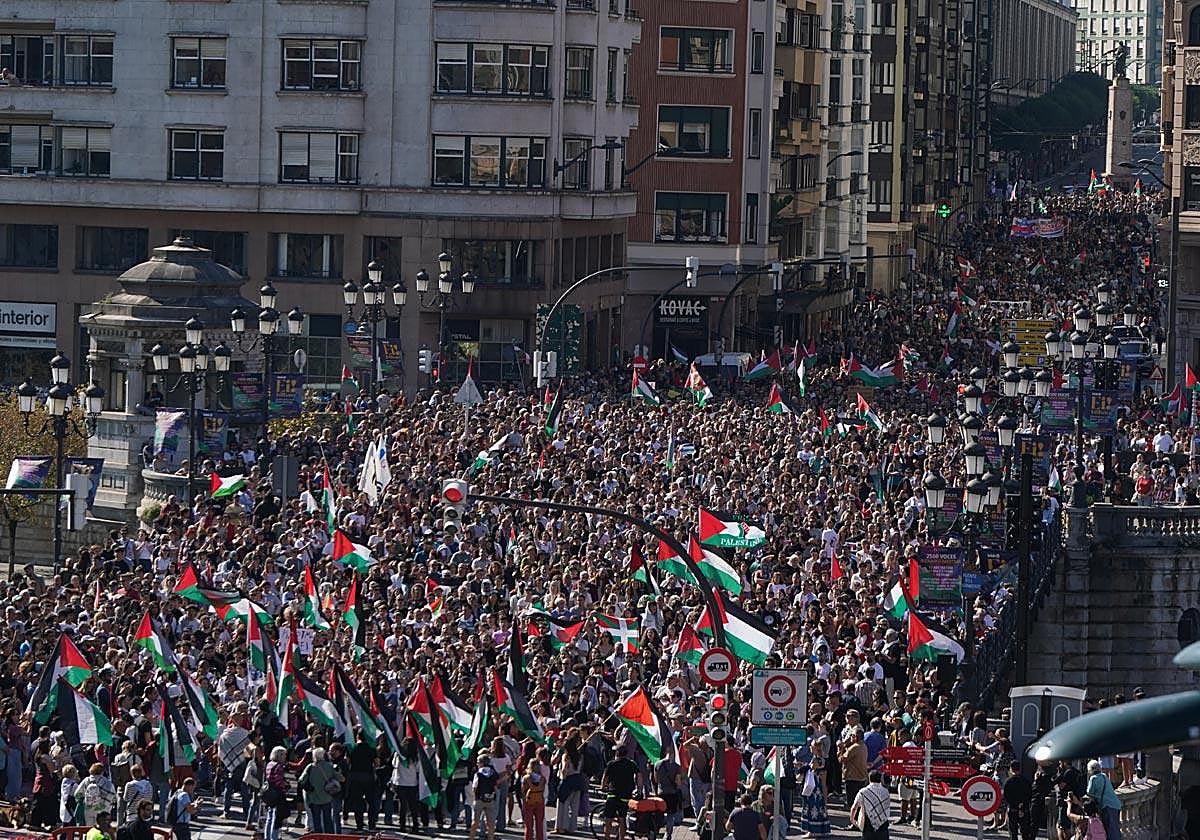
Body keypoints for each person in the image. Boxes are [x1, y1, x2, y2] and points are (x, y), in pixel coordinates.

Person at [297, 747, 341, 834]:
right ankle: (329, 836)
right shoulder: (329, 766)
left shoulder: (310, 767)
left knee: (316, 820)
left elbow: (301, 780)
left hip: (314, 797)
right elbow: (338, 777)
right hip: (327, 797)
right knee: (328, 819)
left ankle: (318, 836)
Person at [600, 745, 637, 840]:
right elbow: (639, 776)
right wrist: (639, 789)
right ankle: (622, 838)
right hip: (625, 795)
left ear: (616, 753)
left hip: (613, 794)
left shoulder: (611, 764)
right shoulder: (632, 764)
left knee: (608, 819)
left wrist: (603, 787)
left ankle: (607, 837)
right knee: (622, 818)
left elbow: (605, 777)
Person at [1086, 760, 1123, 840]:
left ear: (1091, 769)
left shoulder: (1093, 778)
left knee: (1110, 830)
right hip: (1116, 804)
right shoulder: (1104, 776)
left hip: (1107, 806)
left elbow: (1089, 792)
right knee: (1114, 828)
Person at [849, 772, 891, 840]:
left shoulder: (863, 792)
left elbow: (854, 807)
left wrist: (852, 820)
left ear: (869, 779)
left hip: (868, 825)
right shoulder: (886, 791)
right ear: (880, 779)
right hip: (883, 824)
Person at [77, 763, 118, 827]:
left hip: (88, 808)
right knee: (102, 828)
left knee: (89, 828)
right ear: (102, 771)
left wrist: (83, 800)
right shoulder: (107, 782)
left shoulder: (86, 780)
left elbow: (77, 794)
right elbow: (113, 796)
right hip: (102, 809)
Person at [469, 756, 501, 840]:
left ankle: (471, 838)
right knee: (490, 823)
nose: (477, 764)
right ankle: (491, 837)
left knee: (475, 822)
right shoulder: (493, 772)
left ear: (482, 763)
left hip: (479, 798)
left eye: (478, 762)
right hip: (490, 799)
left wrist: (474, 797)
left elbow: (474, 787)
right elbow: (496, 783)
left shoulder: (478, 773)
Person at [263, 746, 290, 840]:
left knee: (269, 817)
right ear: (280, 755)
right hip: (277, 794)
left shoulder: (269, 764)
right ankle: (274, 837)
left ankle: (267, 837)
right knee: (276, 818)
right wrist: (286, 785)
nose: (285, 757)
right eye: (284, 755)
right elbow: (279, 782)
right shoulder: (278, 766)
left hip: (269, 792)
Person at [1003, 763, 1035, 840]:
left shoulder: (1008, 782)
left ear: (1011, 769)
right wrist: (1022, 805)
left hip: (1013, 809)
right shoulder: (1026, 781)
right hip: (1024, 809)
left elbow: (1006, 796)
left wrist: (1013, 805)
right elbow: (1029, 795)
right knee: (1025, 832)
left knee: (1013, 832)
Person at [520, 760, 548, 840]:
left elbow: (522, 790)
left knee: (529, 825)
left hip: (529, 801)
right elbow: (543, 789)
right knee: (539, 824)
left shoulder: (526, 778)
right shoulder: (542, 778)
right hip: (539, 801)